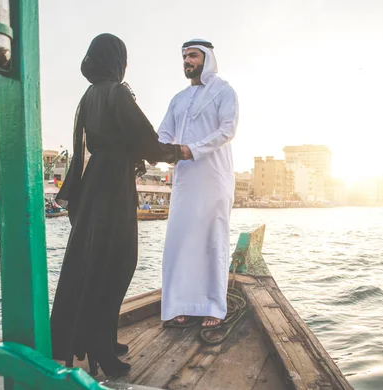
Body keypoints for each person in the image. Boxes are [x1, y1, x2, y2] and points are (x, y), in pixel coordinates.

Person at [50, 33, 182, 377]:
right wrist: (176, 153)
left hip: (95, 183)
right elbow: (145, 138)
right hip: (113, 186)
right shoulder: (116, 92)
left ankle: (103, 338)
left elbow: (97, 143)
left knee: (97, 263)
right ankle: (101, 351)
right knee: (118, 262)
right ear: (115, 60)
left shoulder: (89, 95)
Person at [158, 39, 239, 328]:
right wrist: (152, 153)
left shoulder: (224, 91)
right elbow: (163, 134)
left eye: (192, 55)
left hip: (214, 177)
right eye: (184, 57)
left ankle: (214, 307)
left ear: (207, 58)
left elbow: (227, 130)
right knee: (180, 239)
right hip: (184, 180)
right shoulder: (178, 99)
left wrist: (192, 149)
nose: (187, 61)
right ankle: (179, 303)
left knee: (212, 239)